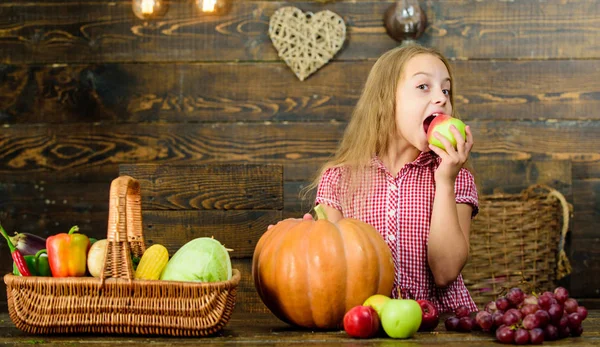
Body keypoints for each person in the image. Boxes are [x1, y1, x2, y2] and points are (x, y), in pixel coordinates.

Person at [303, 43, 479, 313]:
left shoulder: (457, 178)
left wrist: (445, 181)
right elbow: (331, 274)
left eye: (446, 89)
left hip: (442, 329)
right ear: (387, 99)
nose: (441, 98)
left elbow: (445, 272)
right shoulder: (339, 179)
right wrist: (300, 237)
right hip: (366, 325)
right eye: (423, 87)